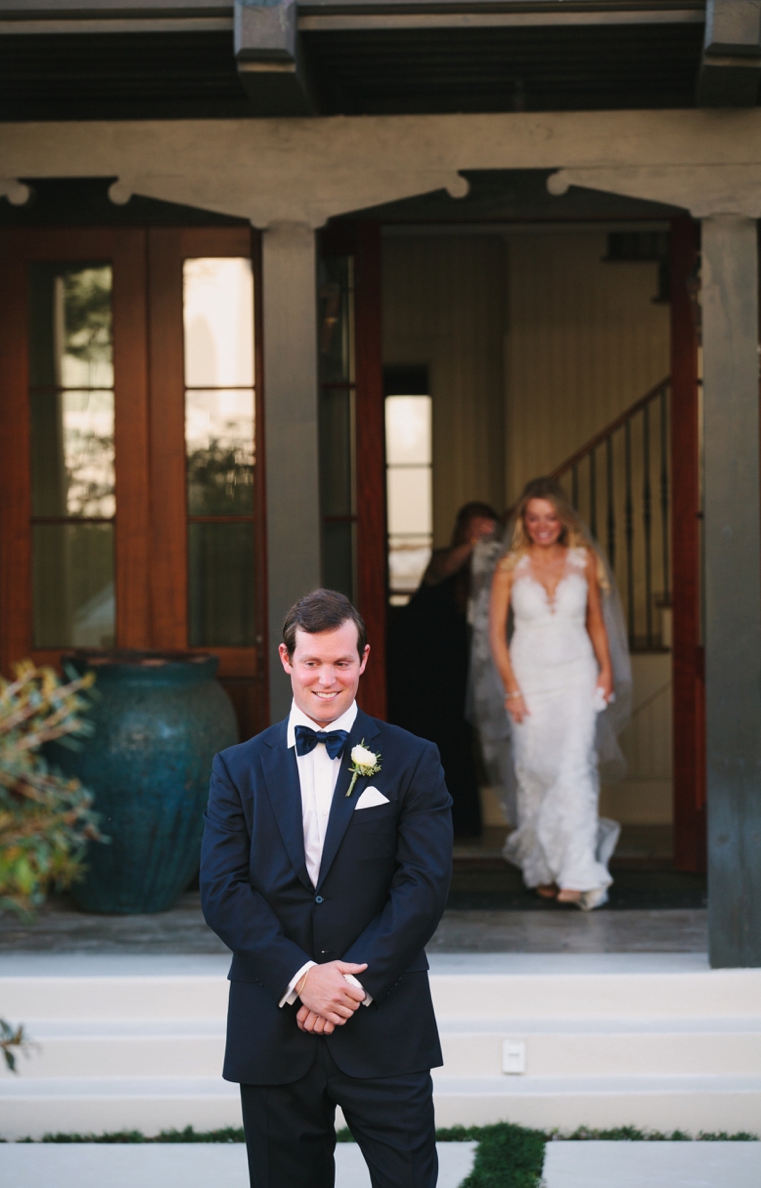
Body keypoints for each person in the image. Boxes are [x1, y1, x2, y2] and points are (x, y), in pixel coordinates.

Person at [200, 589, 454, 1188]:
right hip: (274, 1025)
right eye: (312, 662)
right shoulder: (236, 768)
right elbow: (222, 889)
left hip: (384, 1025)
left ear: (363, 660)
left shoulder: (413, 759)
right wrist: (302, 977)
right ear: (287, 660)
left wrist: (347, 986)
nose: (326, 677)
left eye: (341, 662)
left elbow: (423, 884)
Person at [488, 478, 628, 911]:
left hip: (576, 675)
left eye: (550, 517)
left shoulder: (583, 560)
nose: (542, 525)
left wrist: (605, 669)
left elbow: (595, 621)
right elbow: (495, 634)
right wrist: (510, 688)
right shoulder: (510, 565)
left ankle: (578, 871)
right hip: (528, 678)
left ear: (563, 520)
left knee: (574, 769)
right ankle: (543, 868)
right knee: (535, 771)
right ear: (524, 522)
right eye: (534, 518)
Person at [388, 502, 500, 838]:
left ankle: (462, 825)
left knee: (456, 738)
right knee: (417, 735)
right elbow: (442, 570)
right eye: (476, 530)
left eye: (489, 532)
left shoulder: (494, 568)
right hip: (416, 659)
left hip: (457, 663)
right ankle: (411, 824)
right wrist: (475, 545)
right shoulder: (445, 558)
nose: (483, 538)